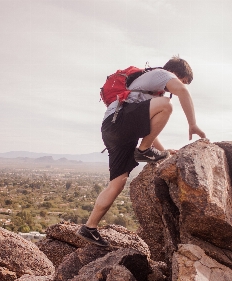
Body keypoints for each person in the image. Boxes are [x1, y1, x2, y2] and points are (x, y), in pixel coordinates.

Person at [76, 56, 206, 246]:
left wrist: (164, 152)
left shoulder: (150, 92)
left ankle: (89, 228)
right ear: (177, 74)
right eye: (182, 80)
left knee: (117, 183)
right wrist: (193, 125)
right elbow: (182, 92)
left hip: (114, 131)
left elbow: (150, 126)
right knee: (166, 106)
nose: (179, 85)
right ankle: (144, 150)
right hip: (120, 122)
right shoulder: (163, 74)